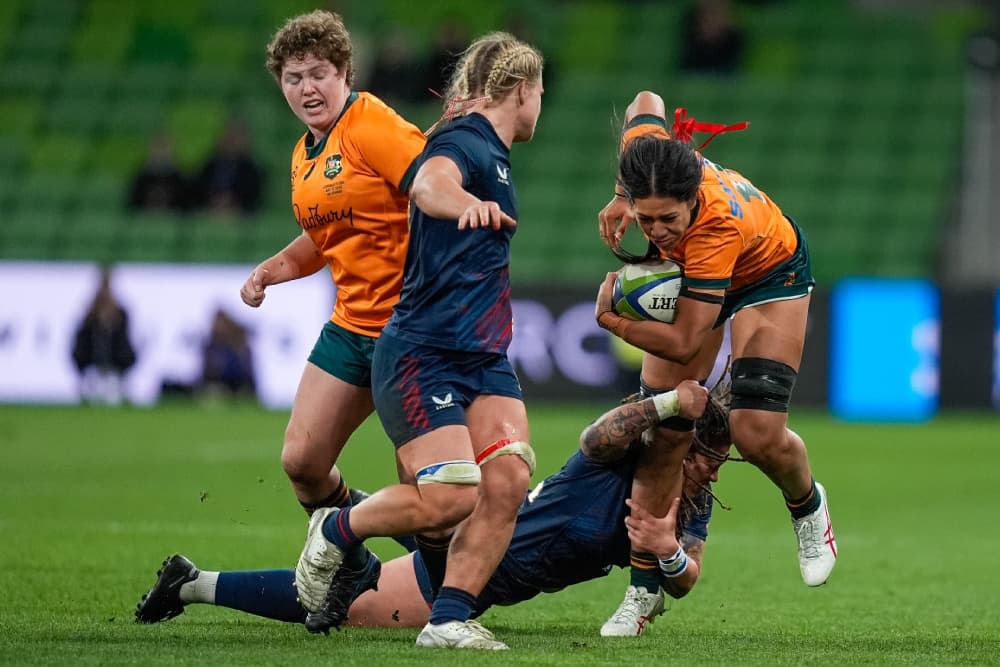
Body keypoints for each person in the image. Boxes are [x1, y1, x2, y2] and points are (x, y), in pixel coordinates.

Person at [292, 32, 545, 649]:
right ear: (521, 91)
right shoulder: (464, 142)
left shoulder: (494, 150)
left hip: (482, 355)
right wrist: (465, 204)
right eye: (540, 93)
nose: (541, 104)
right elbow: (429, 182)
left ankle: (448, 620)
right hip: (421, 352)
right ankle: (337, 530)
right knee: (451, 495)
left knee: (509, 479)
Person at [136, 380, 727, 635]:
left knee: (387, 548)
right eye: (702, 455)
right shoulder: (619, 462)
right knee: (350, 608)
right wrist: (666, 403)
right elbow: (596, 433)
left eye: (719, 462)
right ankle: (192, 584)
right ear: (680, 443)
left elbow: (687, 577)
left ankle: (346, 520)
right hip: (477, 560)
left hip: (488, 567)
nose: (708, 471)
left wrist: (669, 554)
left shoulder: (685, 505)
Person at [594, 90, 837, 635]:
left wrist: (610, 319)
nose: (653, 232)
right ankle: (642, 591)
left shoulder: (712, 227)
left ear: (690, 201)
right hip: (700, 273)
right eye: (644, 217)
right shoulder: (649, 157)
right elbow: (645, 100)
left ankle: (806, 506)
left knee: (756, 433)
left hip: (768, 273)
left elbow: (682, 342)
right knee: (664, 429)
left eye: (666, 219)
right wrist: (619, 195)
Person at [237, 8, 426, 592]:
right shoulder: (304, 155)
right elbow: (324, 237)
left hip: (410, 330)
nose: (306, 89)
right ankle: (356, 563)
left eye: (317, 73)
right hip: (351, 326)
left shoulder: (372, 125)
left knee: (427, 486)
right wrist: (273, 269)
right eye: (293, 79)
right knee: (302, 463)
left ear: (345, 71)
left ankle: (449, 572)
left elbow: (434, 184)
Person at [72, 267, 137, 405]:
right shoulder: (90, 313)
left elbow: (124, 340)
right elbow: (83, 338)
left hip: (116, 357)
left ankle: (117, 386)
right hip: (91, 356)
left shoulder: (121, 312)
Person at [194, 119, 265, 217]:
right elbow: (198, 190)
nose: (232, 140)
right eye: (229, 135)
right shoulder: (210, 165)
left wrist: (233, 203)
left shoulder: (251, 170)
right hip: (210, 213)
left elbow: (254, 197)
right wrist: (214, 202)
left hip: (238, 216)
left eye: (236, 137)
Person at [126, 133, 191, 214]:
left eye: (164, 148)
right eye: (158, 147)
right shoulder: (142, 177)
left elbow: (186, 206)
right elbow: (132, 205)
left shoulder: (179, 178)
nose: (161, 152)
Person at [199, 308, 255, 399]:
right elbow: (206, 373)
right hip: (218, 386)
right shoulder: (211, 346)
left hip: (240, 385)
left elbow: (247, 372)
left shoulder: (239, 344)